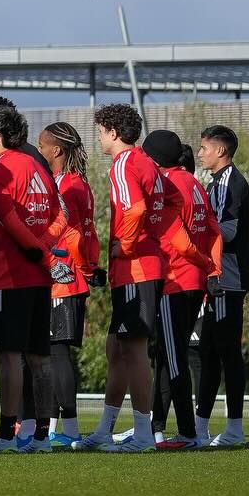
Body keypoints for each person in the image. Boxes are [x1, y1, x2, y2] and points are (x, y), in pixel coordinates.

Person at [76, 103, 169, 453]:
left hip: (136, 268)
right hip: (140, 268)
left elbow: (137, 208)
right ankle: (105, 429)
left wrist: (125, 245)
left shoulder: (124, 163)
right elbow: (166, 203)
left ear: (113, 133)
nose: (99, 138)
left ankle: (144, 435)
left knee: (134, 350)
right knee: (116, 348)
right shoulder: (146, 162)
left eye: (101, 131)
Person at [0, 105, 62, 452]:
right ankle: (41, 435)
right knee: (40, 357)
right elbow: (60, 216)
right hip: (40, 277)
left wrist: (34, 248)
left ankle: (6, 435)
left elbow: (7, 217)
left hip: (11, 274)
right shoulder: (38, 166)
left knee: (10, 355)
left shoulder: (1, 169)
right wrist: (44, 246)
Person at [143, 130, 220, 449]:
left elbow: (181, 242)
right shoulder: (194, 182)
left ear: (155, 159)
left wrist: (203, 262)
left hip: (174, 280)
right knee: (166, 356)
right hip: (195, 283)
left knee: (173, 360)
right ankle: (155, 428)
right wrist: (212, 269)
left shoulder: (167, 185)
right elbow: (214, 231)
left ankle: (188, 434)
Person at [36, 121, 97, 447]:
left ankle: (70, 429)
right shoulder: (78, 183)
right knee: (53, 352)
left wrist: (73, 267)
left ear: (56, 150)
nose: (39, 150)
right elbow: (90, 233)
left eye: (42, 145)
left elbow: (72, 236)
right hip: (72, 276)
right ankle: (54, 426)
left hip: (62, 278)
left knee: (56, 353)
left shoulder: (66, 186)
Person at [196, 123, 249, 447]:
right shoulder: (215, 182)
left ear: (220, 150)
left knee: (228, 351)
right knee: (208, 351)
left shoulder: (232, 182)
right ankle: (200, 428)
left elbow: (228, 231)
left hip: (228, 279)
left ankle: (234, 429)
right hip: (215, 278)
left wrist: (195, 226)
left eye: (204, 148)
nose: (200, 153)